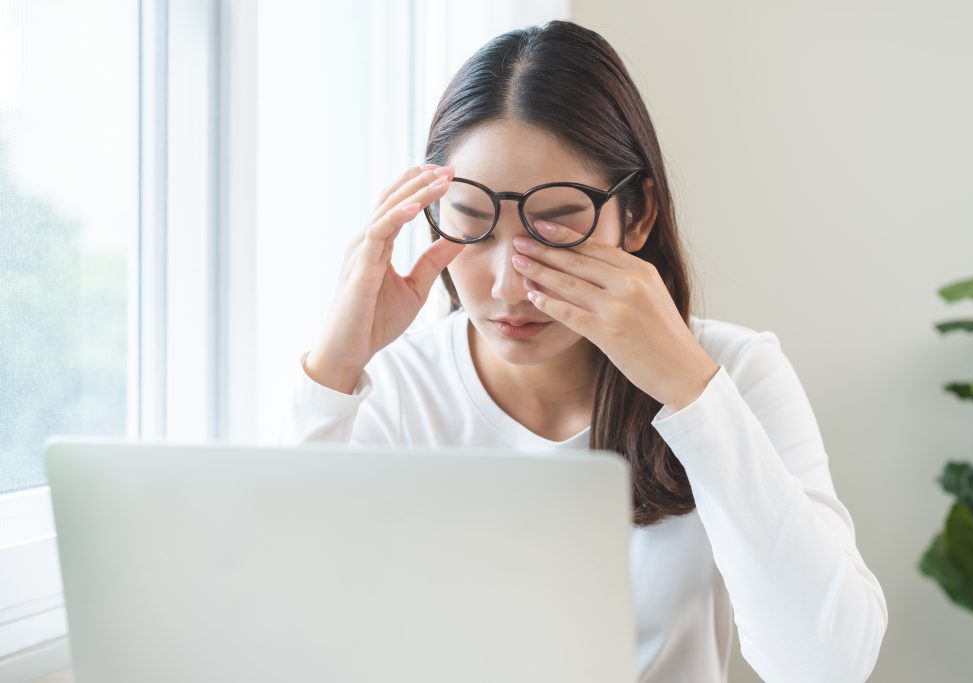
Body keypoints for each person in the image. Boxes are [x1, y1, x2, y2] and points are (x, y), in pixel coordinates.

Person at [280, 19, 887, 683]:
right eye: (472, 220)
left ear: (637, 214)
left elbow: (827, 665)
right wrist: (334, 373)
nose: (509, 282)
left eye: (555, 220)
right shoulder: (396, 391)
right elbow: (292, 639)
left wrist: (690, 389)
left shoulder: (732, 373)